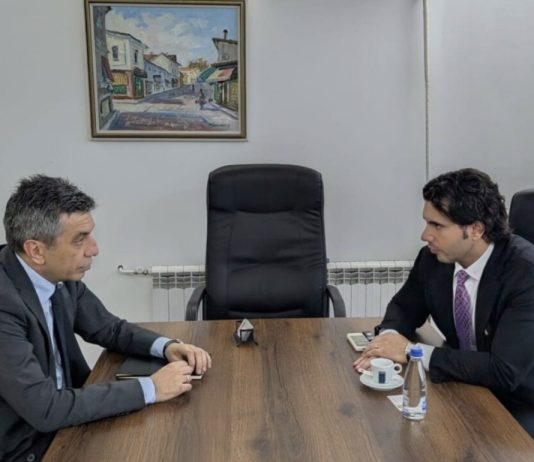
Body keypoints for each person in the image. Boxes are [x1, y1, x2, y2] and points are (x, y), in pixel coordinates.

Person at [0, 175, 212, 461]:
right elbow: (45, 408)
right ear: (35, 250)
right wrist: (151, 387)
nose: (94, 249)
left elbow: (109, 329)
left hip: (71, 420)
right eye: (80, 239)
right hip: (28, 447)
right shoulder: (5, 303)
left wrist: (166, 346)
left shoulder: (56, 275)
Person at [354, 168, 534, 437]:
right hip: (463, 383)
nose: (425, 235)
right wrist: (387, 340)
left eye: (437, 226)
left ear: (476, 229)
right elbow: (404, 307)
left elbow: (503, 371)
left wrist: (411, 351)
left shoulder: (525, 273)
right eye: (427, 223)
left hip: (519, 400)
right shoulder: (434, 259)